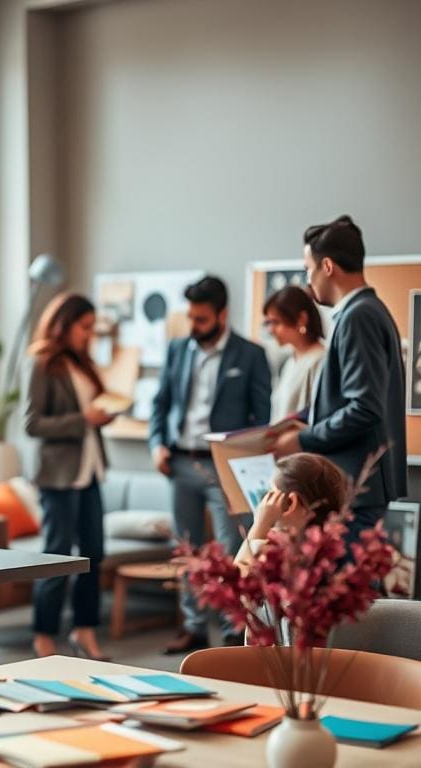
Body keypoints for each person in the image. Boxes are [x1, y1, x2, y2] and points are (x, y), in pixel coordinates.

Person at [149, 275, 271, 654]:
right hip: (180, 463)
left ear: (222, 314)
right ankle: (193, 626)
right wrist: (157, 445)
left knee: (233, 549)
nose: (194, 326)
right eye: (191, 318)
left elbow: (262, 419)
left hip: (224, 467)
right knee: (187, 549)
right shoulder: (177, 350)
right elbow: (160, 403)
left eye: (201, 319)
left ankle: (234, 628)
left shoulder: (250, 355)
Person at [270, 215, 407, 546]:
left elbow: (364, 407)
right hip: (355, 485)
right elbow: (347, 399)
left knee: (346, 594)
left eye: (308, 268)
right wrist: (294, 423)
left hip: (355, 487)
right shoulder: (362, 312)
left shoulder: (359, 316)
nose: (308, 278)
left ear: (327, 266)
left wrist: (304, 439)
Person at [23, 292, 114, 661]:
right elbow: (32, 424)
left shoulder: (84, 363)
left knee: (94, 555)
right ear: (64, 324)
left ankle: (84, 630)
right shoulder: (43, 363)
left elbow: (92, 410)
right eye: (85, 327)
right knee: (57, 556)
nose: (89, 334)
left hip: (89, 470)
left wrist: (106, 413)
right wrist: (83, 421)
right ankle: (44, 635)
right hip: (57, 476)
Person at [234, 452, 348, 574]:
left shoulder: (277, 557)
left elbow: (237, 580)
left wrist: (259, 525)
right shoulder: (334, 550)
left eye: (272, 493)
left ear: (291, 503)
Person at [263, 286, 325, 422]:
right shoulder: (290, 362)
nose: (271, 330)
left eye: (276, 322)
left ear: (301, 319)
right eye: (268, 323)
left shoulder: (320, 360)